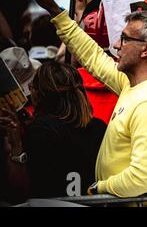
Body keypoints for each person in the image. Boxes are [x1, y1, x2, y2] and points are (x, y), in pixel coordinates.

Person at [29, 0, 147, 199]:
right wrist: (54, 10)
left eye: (124, 39)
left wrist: (97, 189)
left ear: (146, 49)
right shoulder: (133, 84)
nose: (116, 45)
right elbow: (93, 56)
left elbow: (141, 179)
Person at [0, 61, 106, 199]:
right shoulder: (99, 127)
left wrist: (16, 146)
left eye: (32, 87)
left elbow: (19, 191)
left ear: (37, 93)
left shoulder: (39, 131)